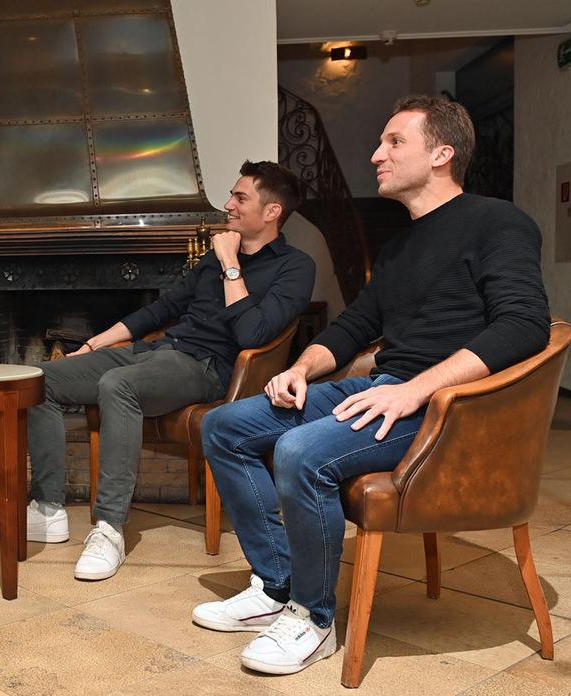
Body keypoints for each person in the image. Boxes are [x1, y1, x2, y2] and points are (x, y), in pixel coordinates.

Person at [193, 95, 551, 676]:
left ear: (441, 154)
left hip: (444, 408)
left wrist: (415, 391)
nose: (376, 154)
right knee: (225, 425)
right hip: (383, 389)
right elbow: (356, 325)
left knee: (299, 450)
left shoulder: (498, 223)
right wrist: (301, 369)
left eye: (394, 142)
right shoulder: (402, 244)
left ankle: (312, 617)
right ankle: (278, 585)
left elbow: (525, 325)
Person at [0, 161, 316, 581]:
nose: (228, 205)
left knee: (118, 385)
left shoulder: (294, 266)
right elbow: (162, 309)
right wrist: (95, 343)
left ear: (272, 212)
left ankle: (109, 528)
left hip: (206, 368)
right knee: (37, 380)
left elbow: (252, 334)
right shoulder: (211, 260)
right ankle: (47, 510)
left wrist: (231, 262)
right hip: (156, 352)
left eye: (240, 197)